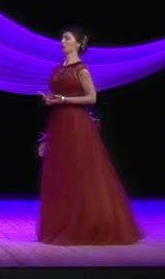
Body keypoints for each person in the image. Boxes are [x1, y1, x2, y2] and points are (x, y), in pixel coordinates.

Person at [37, 28, 142, 245]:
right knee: (63, 174)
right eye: (62, 38)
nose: (62, 41)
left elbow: (92, 98)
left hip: (77, 124)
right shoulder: (59, 68)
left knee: (81, 172)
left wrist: (63, 100)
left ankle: (87, 225)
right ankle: (64, 222)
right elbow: (60, 94)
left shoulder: (82, 70)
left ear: (78, 44)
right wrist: (51, 100)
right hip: (59, 123)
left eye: (67, 38)